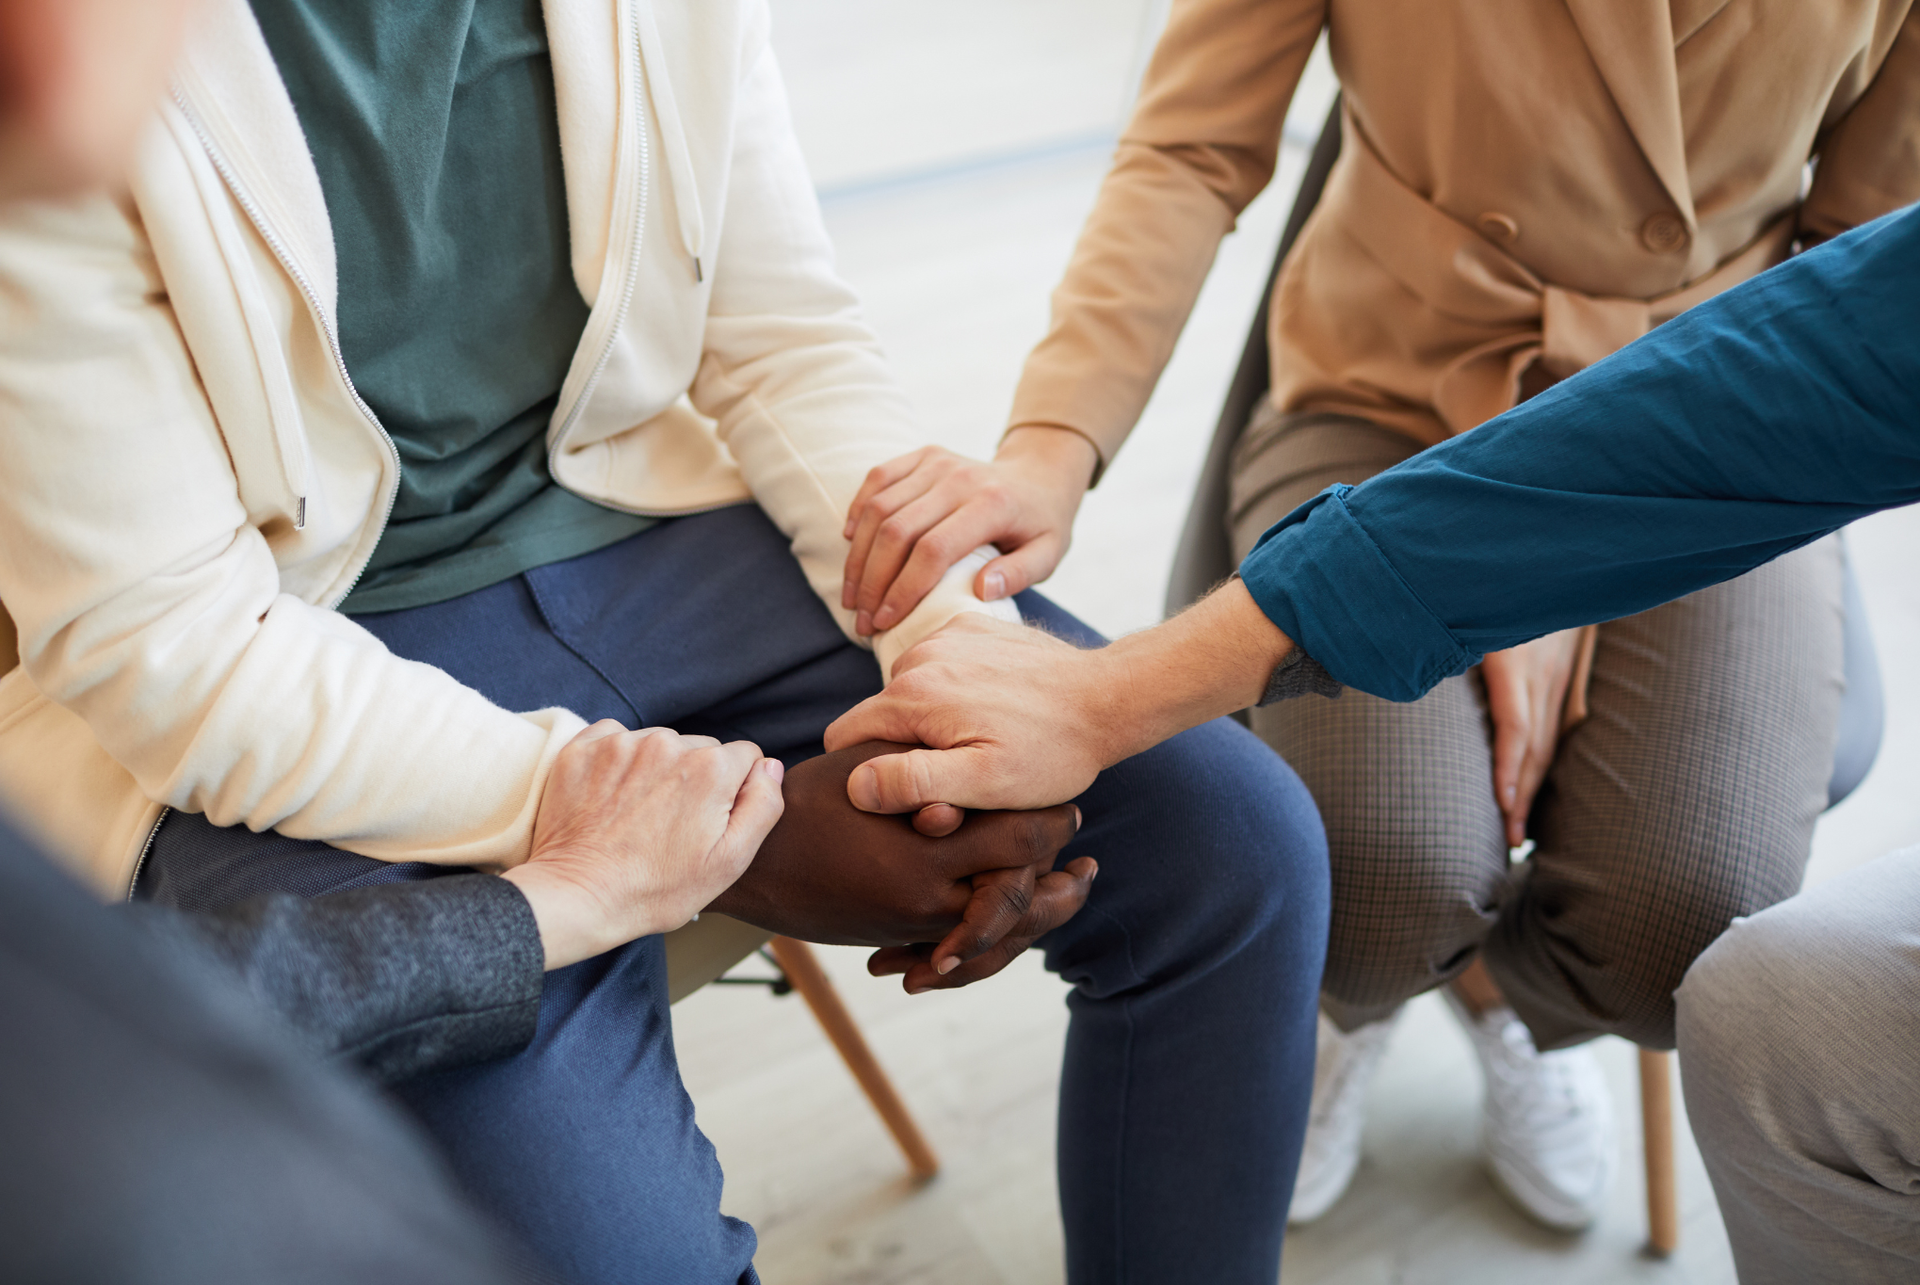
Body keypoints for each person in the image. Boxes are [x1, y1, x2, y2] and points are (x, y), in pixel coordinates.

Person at [0, 2, 1331, 1282]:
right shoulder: (59, 53)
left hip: (645, 521)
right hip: (293, 662)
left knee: (1241, 844)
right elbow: (171, 638)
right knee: (602, 1253)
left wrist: (948, 654)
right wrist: (729, 838)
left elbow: (780, 337)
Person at [833, 0, 1920, 1229]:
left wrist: (1572, 560)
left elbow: (1858, 285)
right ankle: (1366, 998)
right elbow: (1192, 143)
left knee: (1677, 916)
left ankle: (1501, 1000)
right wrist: (1049, 446)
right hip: (1393, 375)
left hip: (1724, 406)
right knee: (1379, 885)